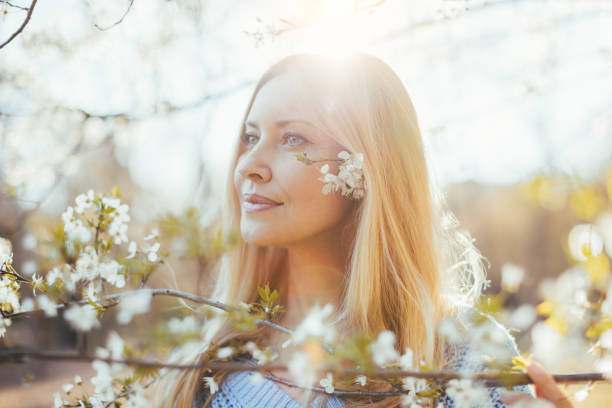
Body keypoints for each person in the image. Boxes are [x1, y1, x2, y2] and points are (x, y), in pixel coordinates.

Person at [154, 52, 575, 408]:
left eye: (293, 139)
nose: (248, 165)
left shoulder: (462, 359)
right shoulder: (205, 372)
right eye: (250, 136)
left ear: (367, 167)